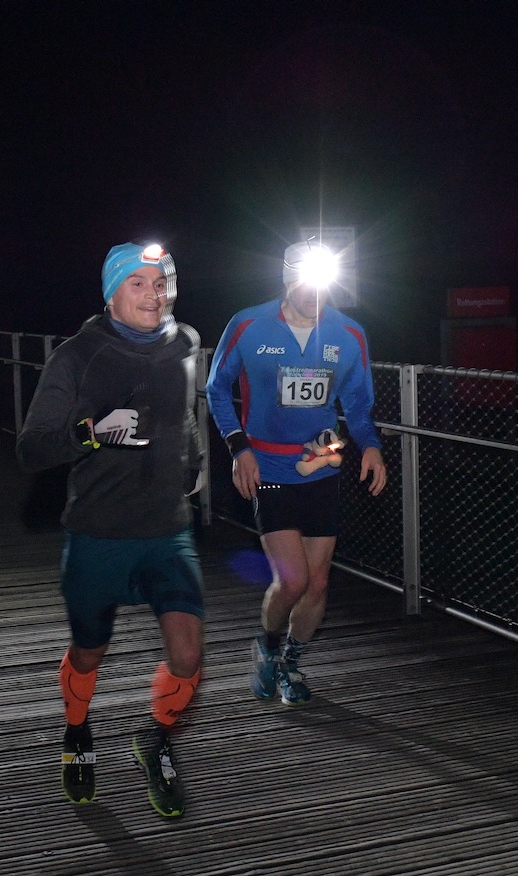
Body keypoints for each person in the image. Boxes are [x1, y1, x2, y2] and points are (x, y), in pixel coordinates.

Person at [16, 241, 205, 819]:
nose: (155, 294)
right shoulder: (77, 356)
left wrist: (193, 467)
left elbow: (187, 414)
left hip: (167, 530)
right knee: (89, 651)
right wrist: (92, 432)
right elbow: (31, 450)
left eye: (161, 282)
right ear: (112, 292)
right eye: (139, 284)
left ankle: (156, 742)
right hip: (98, 533)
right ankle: (77, 733)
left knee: (189, 655)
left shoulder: (187, 342)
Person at [206, 240, 387, 707]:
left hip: (321, 466)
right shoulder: (248, 324)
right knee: (292, 582)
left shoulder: (350, 334)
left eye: (320, 283)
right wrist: (237, 447)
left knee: (319, 583)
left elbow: (360, 405)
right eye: (302, 282)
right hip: (266, 465)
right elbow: (217, 389)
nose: (311, 293)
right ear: (287, 279)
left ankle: (290, 662)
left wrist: (371, 448)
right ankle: (265, 645)